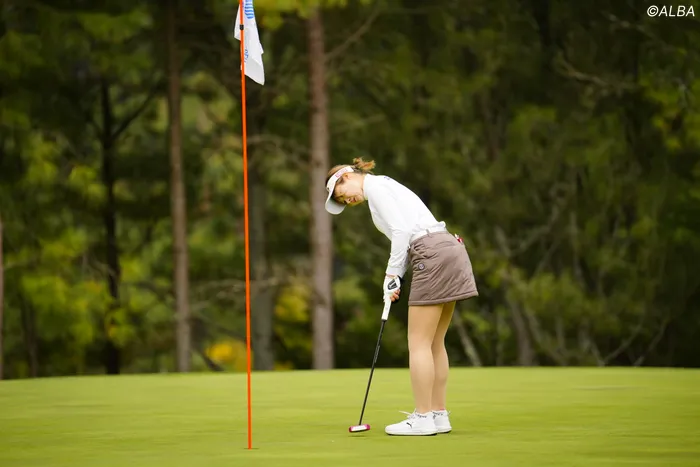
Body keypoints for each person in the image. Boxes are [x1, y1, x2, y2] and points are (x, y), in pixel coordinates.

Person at [324, 157, 479, 436]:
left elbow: (402, 231)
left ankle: (422, 418)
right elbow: (407, 235)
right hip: (448, 248)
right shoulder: (385, 185)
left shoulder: (375, 188)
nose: (347, 201)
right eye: (343, 202)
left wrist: (391, 274)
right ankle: (438, 415)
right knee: (434, 342)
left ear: (345, 177)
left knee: (418, 343)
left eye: (341, 195)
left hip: (431, 253)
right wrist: (398, 278)